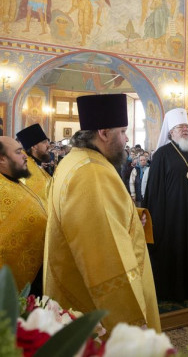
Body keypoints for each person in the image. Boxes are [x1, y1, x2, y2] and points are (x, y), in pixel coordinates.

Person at [44, 94, 160, 333]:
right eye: (123, 131)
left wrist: (130, 216)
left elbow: (94, 216)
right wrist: (130, 323)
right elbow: (107, 257)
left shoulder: (75, 160)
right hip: (97, 310)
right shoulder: (92, 173)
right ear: (104, 133)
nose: (127, 139)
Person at [143, 108, 188, 302]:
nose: (185, 130)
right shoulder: (162, 154)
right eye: (180, 127)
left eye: (187, 127)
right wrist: (156, 219)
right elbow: (154, 190)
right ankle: (172, 290)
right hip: (172, 216)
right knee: (175, 249)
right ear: (171, 131)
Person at [0, 136, 46, 294]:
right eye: (18, 152)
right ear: (0, 159)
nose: (25, 156)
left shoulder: (10, 181)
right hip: (23, 285)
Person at [16, 123, 52, 209]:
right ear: (34, 147)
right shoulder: (26, 168)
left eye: (47, 141)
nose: (48, 145)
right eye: (44, 142)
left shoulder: (34, 163)